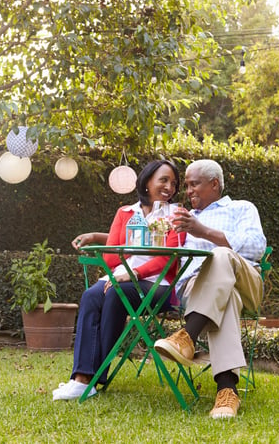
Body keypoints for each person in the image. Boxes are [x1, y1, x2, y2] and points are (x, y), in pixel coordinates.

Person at [52, 159, 185, 401]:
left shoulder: (177, 215)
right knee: (91, 295)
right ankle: (81, 378)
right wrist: (133, 247)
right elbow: (111, 256)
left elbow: (168, 259)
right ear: (146, 183)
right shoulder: (125, 213)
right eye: (163, 180)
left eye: (174, 183)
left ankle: (92, 377)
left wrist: (135, 272)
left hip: (160, 286)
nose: (169, 187)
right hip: (120, 277)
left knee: (116, 293)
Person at [154, 159, 266, 419]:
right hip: (197, 289)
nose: (189, 191)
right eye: (188, 186)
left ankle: (187, 337)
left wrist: (204, 232)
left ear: (214, 184)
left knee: (222, 255)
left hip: (245, 280)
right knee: (226, 299)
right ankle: (227, 392)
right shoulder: (183, 218)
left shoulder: (241, 208)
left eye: (195, 184)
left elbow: (255, 248)